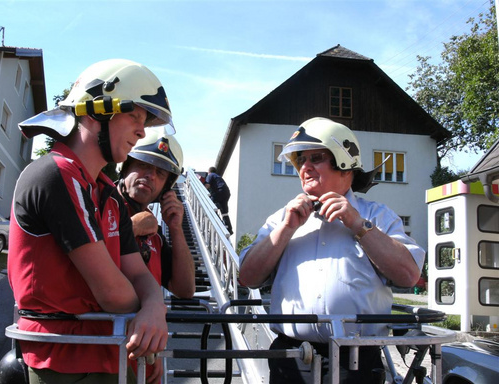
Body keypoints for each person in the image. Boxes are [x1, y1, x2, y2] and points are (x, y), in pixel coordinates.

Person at [8, 59, 174, 383]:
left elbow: (137, 272)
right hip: (62, 360)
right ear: (95, 112)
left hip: (109, 354)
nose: (142, 131)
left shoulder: (107, 192)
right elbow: (110, 292)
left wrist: (155, 309)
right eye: (135, 116)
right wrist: (150, 309)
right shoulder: (55, 174)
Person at [238, 117, 425, 384]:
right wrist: (287, 228)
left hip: (357, 362)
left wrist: (358, 225)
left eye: (316, 158)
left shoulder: (377, 215)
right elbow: (248, 277)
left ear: (345, 164)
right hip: (291, 358)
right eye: (301, 160)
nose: (305, 167)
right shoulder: (282, 218)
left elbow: (408, 275)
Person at [117, 129, 196, 383]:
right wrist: (132, 227)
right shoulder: (100, 204)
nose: (150, 176)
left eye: (160, 173)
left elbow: (185, 289)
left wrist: (175, 227)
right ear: (125, 167)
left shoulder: (157, 234)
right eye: (143, 165)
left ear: (165, 189)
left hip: (145, 357)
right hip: (101, 352)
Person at [205, 166, 233, 235]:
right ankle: (229, 229)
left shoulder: (210, 175)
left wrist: (202, 190)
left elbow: (207, 185)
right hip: (226, 192)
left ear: (209, 172)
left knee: (210, 206)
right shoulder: (218, 176)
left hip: (219, 192)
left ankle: (219, 223)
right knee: (224, 212)